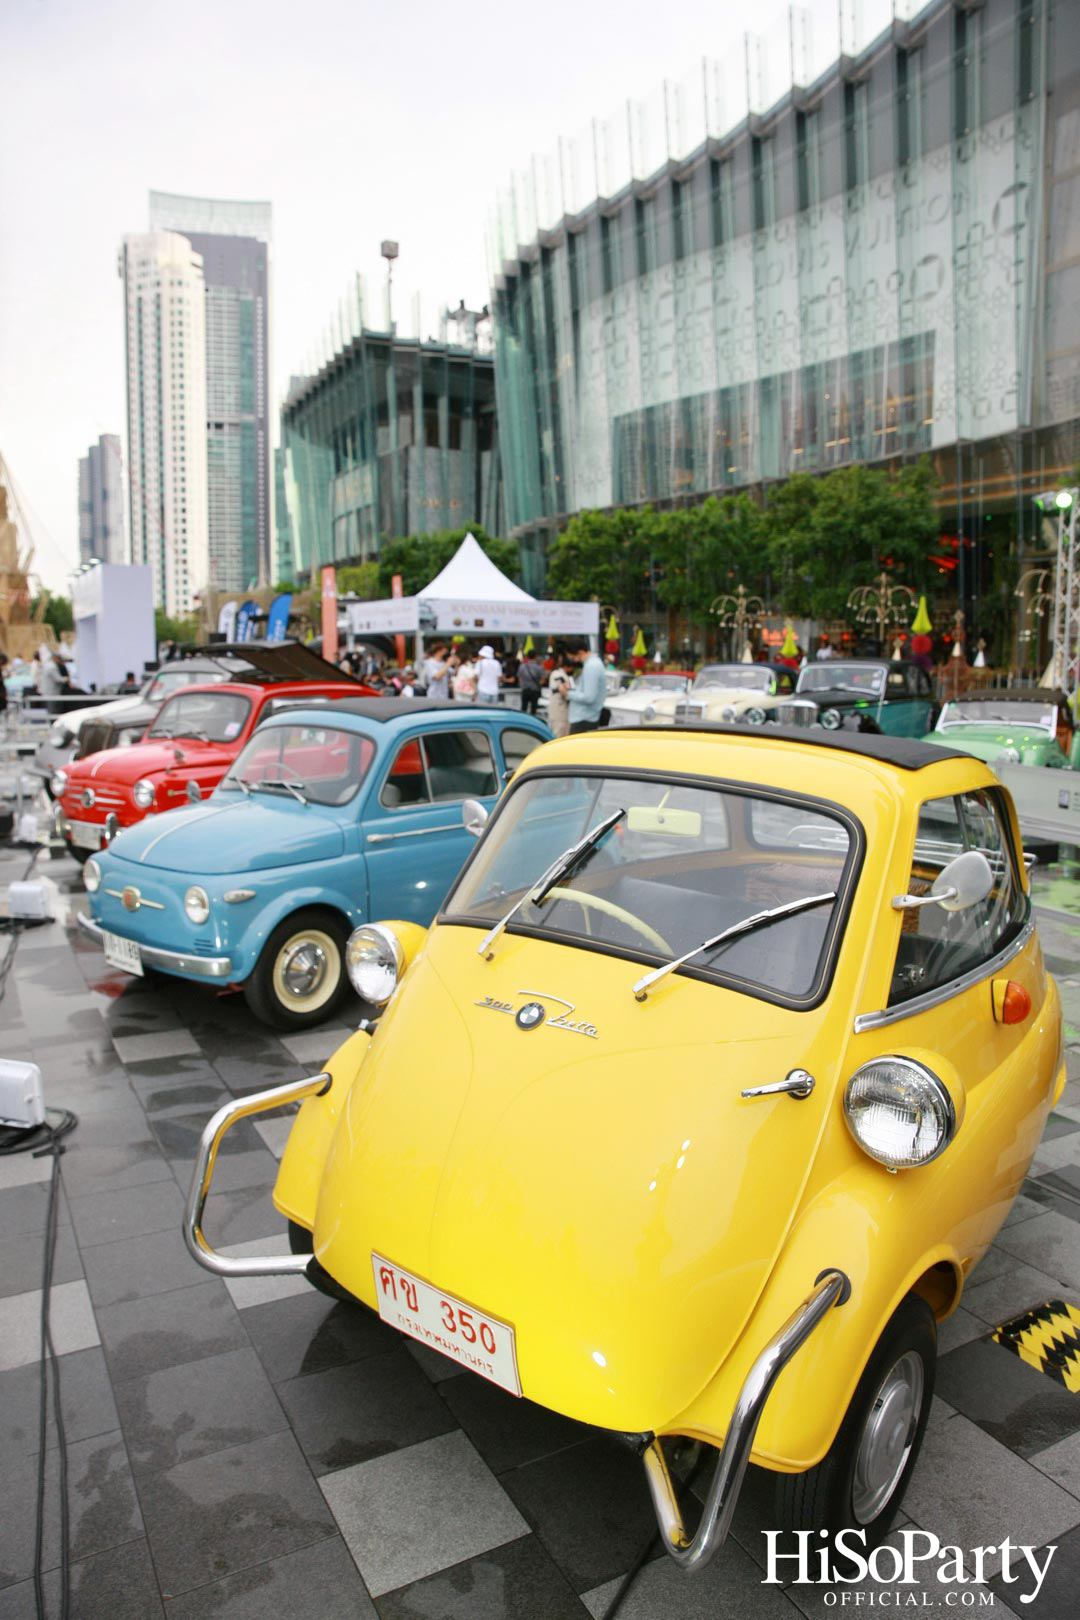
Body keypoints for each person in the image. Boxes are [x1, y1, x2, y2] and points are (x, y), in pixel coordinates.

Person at [567, 639, 607, 733]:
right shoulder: (592, 664)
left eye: (573, 658)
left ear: (580, 652)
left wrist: (568, 694)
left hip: (584, 719)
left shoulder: (591, 666)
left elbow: (589, 697)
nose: (574, 661)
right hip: (585, 718)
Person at [546, 658, 573, 738]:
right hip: (559, 709)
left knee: (559, 730)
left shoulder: (555, 673)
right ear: (567, 666)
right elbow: (563, 690)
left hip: (557, 708)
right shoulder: (559, 675)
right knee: (559, 732)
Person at [518, 650, 545, 716]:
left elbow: (520, 679)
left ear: (527, 657)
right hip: (535, 690)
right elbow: (542, 681)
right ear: (536, 657)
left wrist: (523, 685)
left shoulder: (522, 667)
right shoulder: (539, 668)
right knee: (533, 709)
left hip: (525, 689)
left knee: (523, 708)